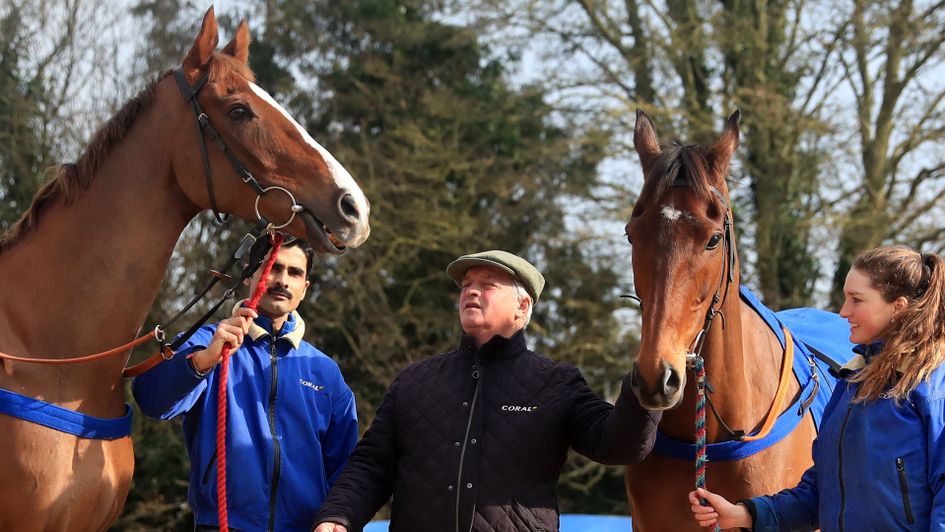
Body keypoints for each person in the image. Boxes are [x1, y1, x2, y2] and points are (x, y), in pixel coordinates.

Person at [312, 250, 662, 532]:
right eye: (466, 285)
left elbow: (621, 444)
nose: (471, 292)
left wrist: (646, 379)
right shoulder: (413, 381)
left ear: (523, 308)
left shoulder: (558, 383)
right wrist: (338, 516)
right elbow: (371, 464)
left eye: (488, 284)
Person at [689, 245, 945, 531]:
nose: (843, 311)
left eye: (856, 300)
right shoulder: (850, 383)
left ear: (897, 307)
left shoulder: (933, 388)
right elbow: (819, 493)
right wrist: (745, 515)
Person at [132, 234, 358, 532]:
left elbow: (347, 465)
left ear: (305, 288)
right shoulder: (206, 341)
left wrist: (337, 518)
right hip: (225, 524)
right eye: (274, 268)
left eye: (294, 273)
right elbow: (150, 398)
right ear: (251, 274)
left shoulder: (325, 372)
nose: (282, 281)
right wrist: (203, 361)